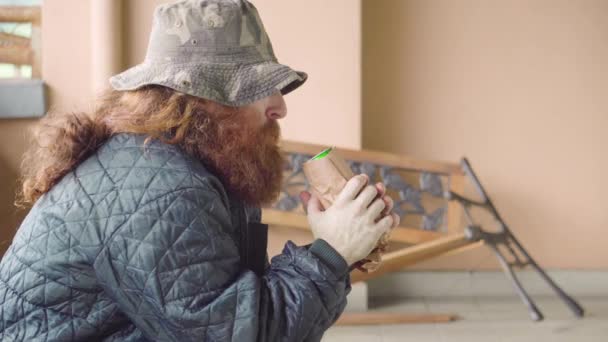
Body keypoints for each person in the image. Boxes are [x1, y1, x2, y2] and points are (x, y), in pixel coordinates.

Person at [0, 0, 399, 341]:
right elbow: (244, 333)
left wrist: (341, 245)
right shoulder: (157, 189)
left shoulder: (179, 165)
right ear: (200, 97)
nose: (280, 106)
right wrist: (330, 255)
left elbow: (227, 306)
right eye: (256, 87)